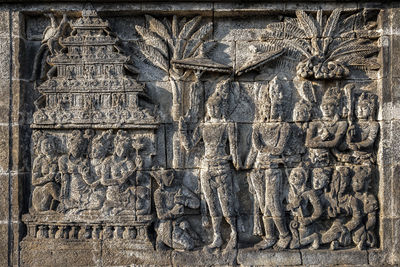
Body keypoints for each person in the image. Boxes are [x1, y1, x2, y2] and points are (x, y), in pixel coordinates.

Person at [179, 80, 240, 251]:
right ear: (207, 108)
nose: (213, 110)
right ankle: (217, 236)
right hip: (206, 168)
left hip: (221, 167)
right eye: (211, 107)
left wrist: (236, 162)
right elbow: (189, 145)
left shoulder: (228, 125)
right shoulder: (203, 126)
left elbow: (234, 151)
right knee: (212, 204)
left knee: (226, 203)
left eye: (216, 107)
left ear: (222, 108)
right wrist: (182, 130)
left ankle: (234, 233)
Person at [247, 76, 291, 249]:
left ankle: (285, 235)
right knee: (264, 205)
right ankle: (270, 237)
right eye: (268, 107)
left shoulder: (284, 126)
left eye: (275, 107)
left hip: (273, 169)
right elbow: (257, 145)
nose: (271, 110)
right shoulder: (258, 126)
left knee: (273, 203)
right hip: (259, 168)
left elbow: (279, 148)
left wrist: (266, 152)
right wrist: (266, 152)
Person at [153, 169, 200, 251]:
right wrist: (173, 212)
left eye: (172, 175)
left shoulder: (179, 189)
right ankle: (161, 238)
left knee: (187, 228)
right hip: (166, 225)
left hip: (180, 222)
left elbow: (196, 203)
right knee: (189, 245)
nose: (171, 177)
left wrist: (184, 200)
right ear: (161, 178)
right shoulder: (159, 193)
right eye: (167, 175)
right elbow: (160, 215)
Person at [32, 135, 60, 212]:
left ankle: (58, 205)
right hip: (42, 193)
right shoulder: (39, 160)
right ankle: (63, 203)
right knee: (50, 185)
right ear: (40, 147)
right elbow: (34, 181)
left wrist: (59, 176)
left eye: (51, 143)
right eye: (45, 145)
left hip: (57, 189)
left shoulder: (59, 159)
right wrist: (48, 178)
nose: (49, 146)